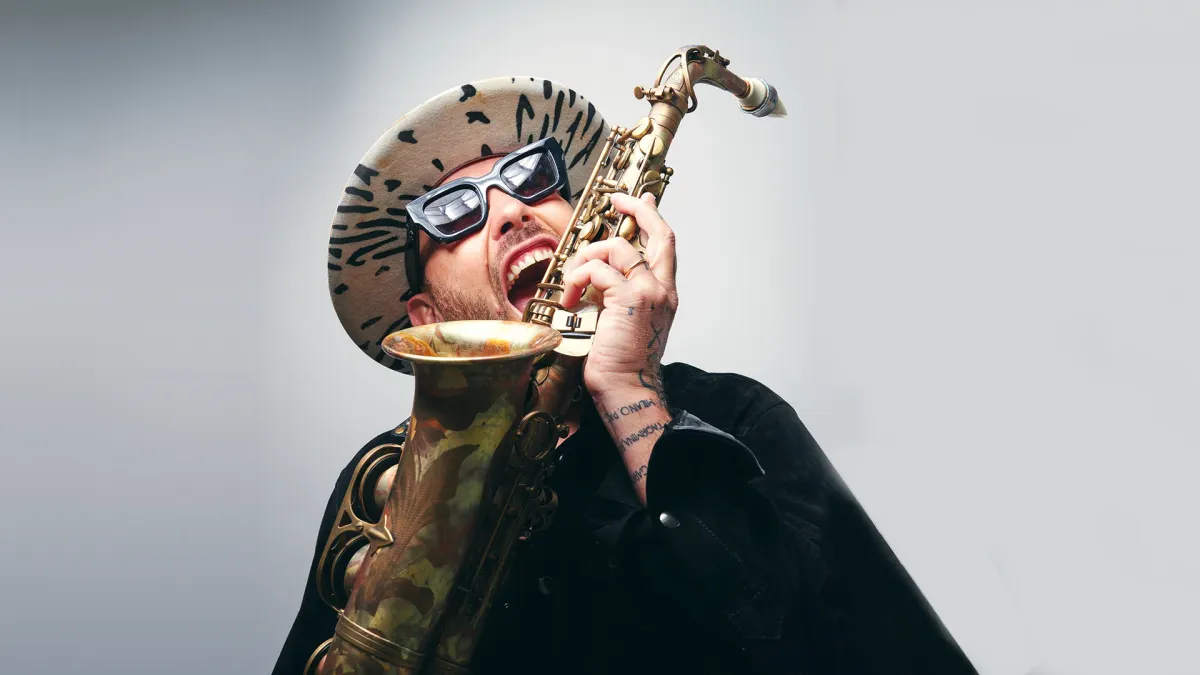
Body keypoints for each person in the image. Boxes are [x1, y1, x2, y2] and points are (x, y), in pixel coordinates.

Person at [274, 76, 977, 675]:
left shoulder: (739, 416)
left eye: (532, 178)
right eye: (454, 213)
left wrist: (630, 390)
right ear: (427, 316)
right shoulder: (384, 480)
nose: (513, 210)